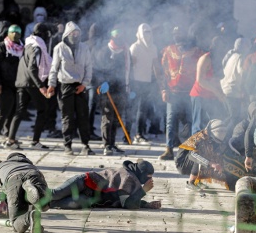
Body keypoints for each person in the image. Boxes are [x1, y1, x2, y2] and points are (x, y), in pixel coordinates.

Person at [47, 21, 95, 156]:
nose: (75, 35)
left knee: (83, 116)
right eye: (73, 33)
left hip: (80, 86)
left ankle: (85, 144)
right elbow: (54, 68)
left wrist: (84, 84)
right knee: (67, 117)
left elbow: (89, 67)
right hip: (65, 86)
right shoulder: (59, 48)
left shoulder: (84, 48)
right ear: (67, 34)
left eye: (77, 33)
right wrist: (51, 84)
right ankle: (67, 145)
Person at [3, 23, 52, 150]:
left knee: (19, 111)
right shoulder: (37, 47)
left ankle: (10, 140)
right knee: (43, 109)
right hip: (31, 83)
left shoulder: (28, 44)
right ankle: (35, 141)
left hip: (21, 82)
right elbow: (32, 68)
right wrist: (41, 86)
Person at [158, 27, 204, 160]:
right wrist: (164, 89)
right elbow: (163, 72)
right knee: (171, 121)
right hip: (173, 92)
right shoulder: (168, 51)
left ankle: (188, 151)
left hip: (190, 92)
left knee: (190, 122)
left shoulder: (196, 51)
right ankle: (169, 149)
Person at [0, 153, 48, 233]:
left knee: (16, 224)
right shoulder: (32, 166)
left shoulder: (1, 166)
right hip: (34, 174)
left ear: (9, 159)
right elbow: (46, 189)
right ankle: (36, 198)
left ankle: (29, 217)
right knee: (41, 201)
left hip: (14, 178)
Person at [49, 159, 161, 210]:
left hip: (89, 198)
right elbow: (128, 204)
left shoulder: (133, 179)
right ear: (142, 174)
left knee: (53, 203)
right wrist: (144, 190)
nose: (150, 179)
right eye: (149, 176)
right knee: (54, 194)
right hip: (84, 182)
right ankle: (33, 191)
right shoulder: (128, 177)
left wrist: (146, 204)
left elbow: (126, 199)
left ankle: (38, 203)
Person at [96, 25, 130, 156]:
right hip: (107, 90)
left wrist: (128, 86)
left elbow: (128, 69)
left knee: (117, 118)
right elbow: (99, 69)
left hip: (120, 88)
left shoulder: (125, 51)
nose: (119, 38)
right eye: (116, 35)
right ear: (112, 36)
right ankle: (106, 145)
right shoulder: (105, 51)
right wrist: (102, 83)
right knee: (107, 118)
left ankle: (112, 143)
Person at [126, 23, 162, 145]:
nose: (147, 34)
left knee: (144, 109)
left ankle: (139, 134)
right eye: (145, 32)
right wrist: (128, 83)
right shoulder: (135, 47)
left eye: (149, 31)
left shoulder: (153, 48)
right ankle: (135, 135)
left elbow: (156, 66)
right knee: (135, 109)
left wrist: (160, 82)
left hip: (147, 82)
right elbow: (130, 66)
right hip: (136, 82)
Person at [0, 25, 23, 145]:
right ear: (8, 33)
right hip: (3, 84)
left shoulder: (21, 48)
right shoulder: (1, 47)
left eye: (17, 32)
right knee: (4, 109)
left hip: (17, 84)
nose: (15, 35)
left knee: (14, 110)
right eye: (12, 32)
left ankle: (8, 135)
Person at [220, 38, 251, 126]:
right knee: (234, 118)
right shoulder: (240, 57)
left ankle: (219, 133)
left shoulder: (231, 55)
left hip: (225, 89)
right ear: (244, 47)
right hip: (232, 91)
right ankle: (223, 136)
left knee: (231, 116)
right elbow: (242, 73)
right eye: (247, 46)